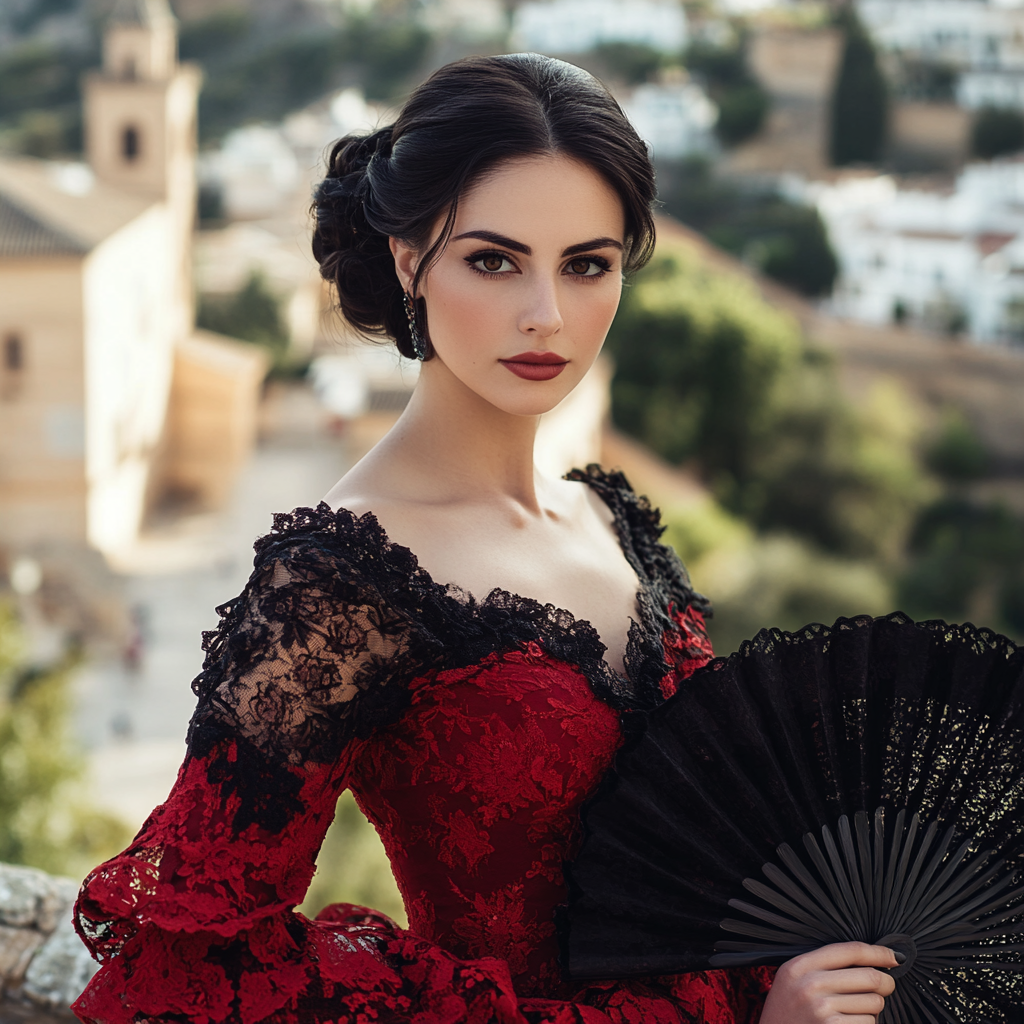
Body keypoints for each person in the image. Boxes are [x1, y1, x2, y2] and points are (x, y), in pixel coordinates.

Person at [71, 54, 899, 1024]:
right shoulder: (338, 582)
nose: (546, 314)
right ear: (408, 258)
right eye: (493, 260)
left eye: (586, 264)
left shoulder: (613, 519)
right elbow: (188, 964)